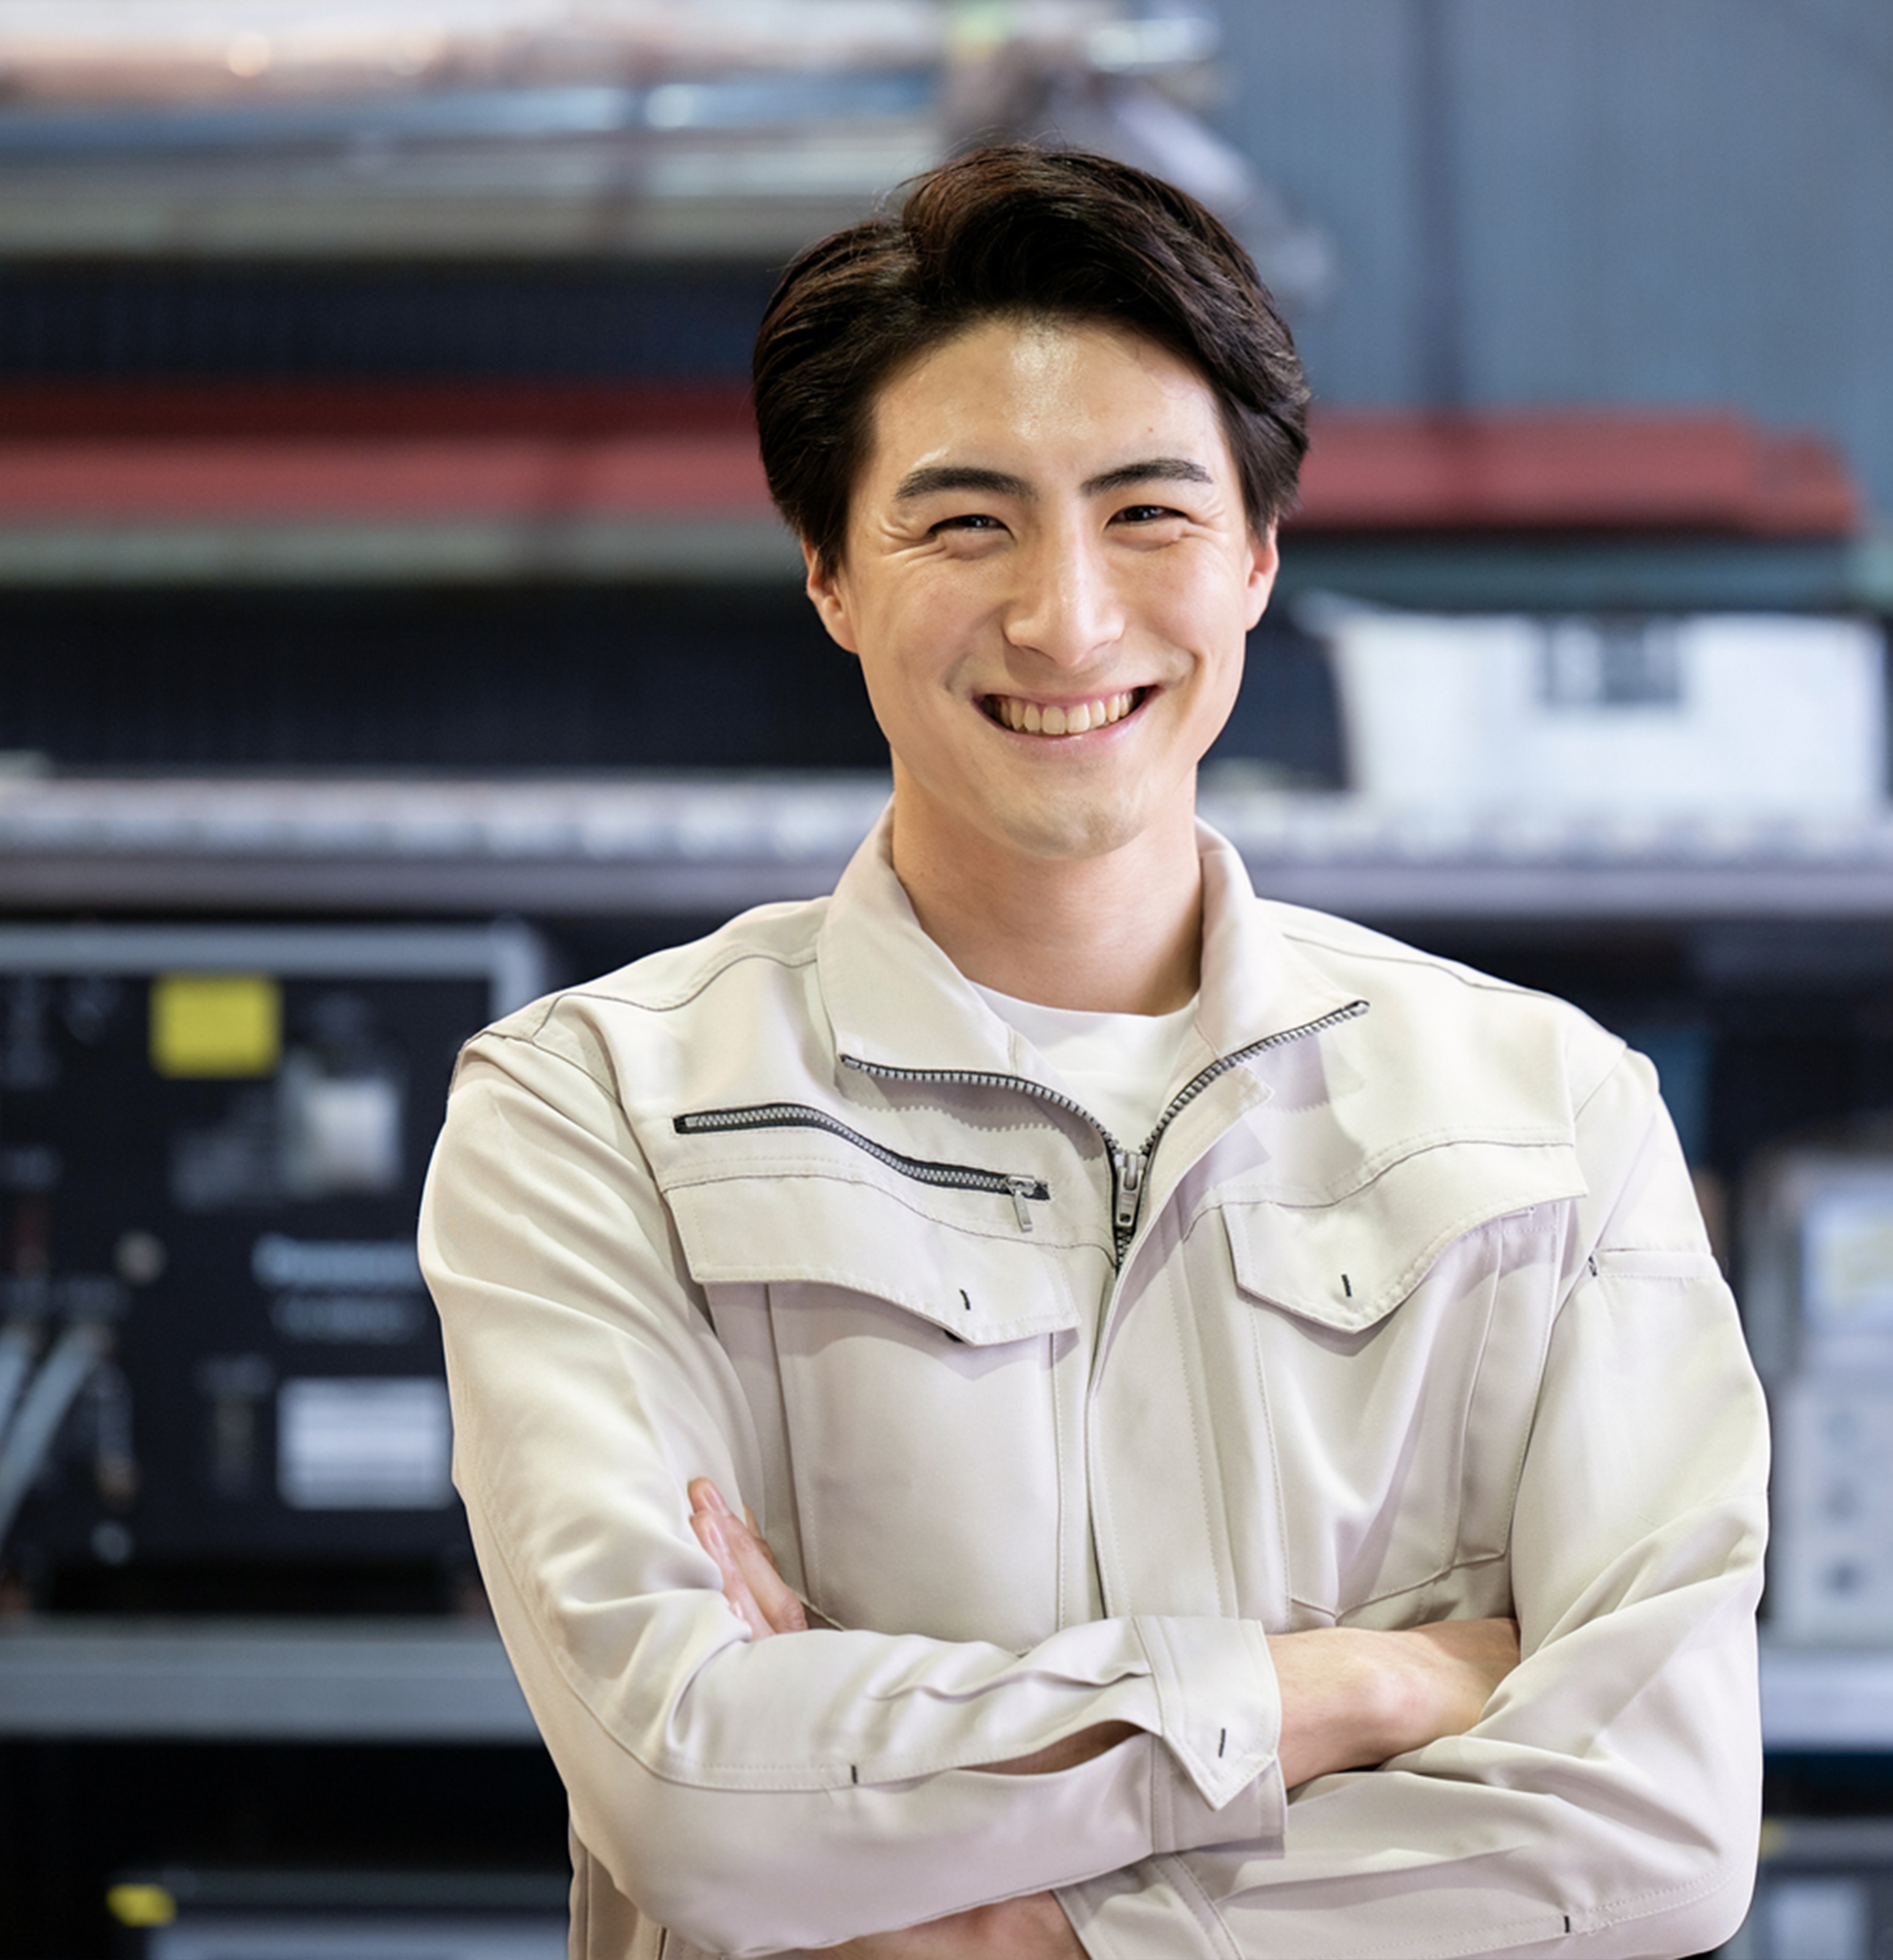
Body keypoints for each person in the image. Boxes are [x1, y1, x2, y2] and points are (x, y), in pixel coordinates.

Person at [420, 146, 1769, 1960]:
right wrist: (1345, 1691)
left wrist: (1010, 1932)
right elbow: (694, 1799)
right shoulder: (596, 1113)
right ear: (827, 572)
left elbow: (1659, 1825)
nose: (1067, 617)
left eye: (1149, 514)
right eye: (965, 521)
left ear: (1261, 558)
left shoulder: (1548, 1114)